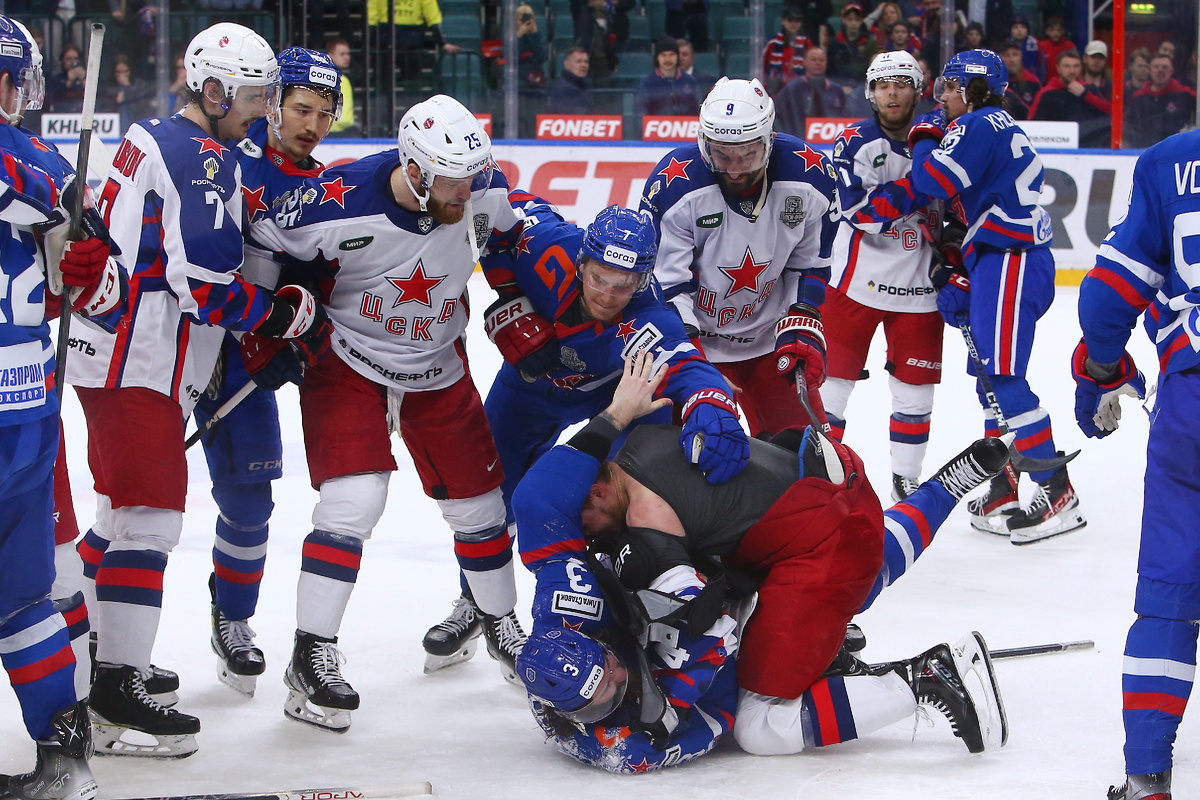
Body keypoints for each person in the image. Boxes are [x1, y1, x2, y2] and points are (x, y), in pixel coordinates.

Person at [514, 352, 1013, 762]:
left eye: (585, 526)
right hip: (822, 480)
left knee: (760, 725)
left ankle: (924, 679)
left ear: (596, 495)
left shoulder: (648, 526)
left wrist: (663, 705)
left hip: (819, 537)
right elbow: (695, 371)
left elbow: (710, 627)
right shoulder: (634, 438)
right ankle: (946, 487)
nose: (589, 539)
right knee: (858, 567)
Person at [64, 23, 333, 758]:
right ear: (212, 90)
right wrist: (282, 315)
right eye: (253, 97)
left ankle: (89, 661)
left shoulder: (154, 136)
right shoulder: (202, 156)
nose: (261, 111)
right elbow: (208, 289)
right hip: (137, 361)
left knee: (119, 517)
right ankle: (114, 689)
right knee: (147, 522)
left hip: (118, 355)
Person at [248, 95, 526, 731]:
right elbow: (264, 244)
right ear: (418, 170)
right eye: (453, 178)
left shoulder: (482, 192)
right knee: (353, 501)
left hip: (437, 363)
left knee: (481, 507)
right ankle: (310, 654)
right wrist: (267, 324)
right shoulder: (335, 197)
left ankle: (500, 623)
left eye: (473, 173)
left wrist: (521, 301)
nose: (468, 188)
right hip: (346, 359)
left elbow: (511, 242)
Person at [851, 49, 1085, 543]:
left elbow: (930, 180)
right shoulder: (993, 124)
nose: (943, 98)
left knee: (1003, 380)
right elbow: (952, 199)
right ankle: (1004, 481)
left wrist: (921, 141)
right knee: (989, 380)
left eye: (950, 87)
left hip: (1010, 260)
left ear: (972, 88)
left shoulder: (977, 124)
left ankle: (1055, 488)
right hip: (997, 259)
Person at [185, 46, 343, 700]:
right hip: (197, 343)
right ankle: (107, 641)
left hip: (256, 350)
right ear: (272, 103)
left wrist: (304, 341)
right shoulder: (225, 165)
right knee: (138, 503)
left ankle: (233, 616)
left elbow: (331, 285)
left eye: (325, 114)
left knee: (253, 496)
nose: (312, 124)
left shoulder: (328, 186)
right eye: (302, 108)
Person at [480, 195, 748, 572]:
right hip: (529, 388)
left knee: (629, 493)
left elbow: (689, 367)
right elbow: (501, 202)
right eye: (598, 278)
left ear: (642, 282)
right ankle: (480, 602)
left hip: (614, 398)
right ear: (581, 263)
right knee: (489, 492)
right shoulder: (544, 247)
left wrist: (713, 405)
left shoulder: (649, 316)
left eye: (622, 285)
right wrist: (509, 297)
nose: (606, 295)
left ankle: (621, 591)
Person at [0, 16, 117, 800]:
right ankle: (63, 756)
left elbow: (96, 284)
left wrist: (84, 268)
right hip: (29, 407)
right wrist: (84, 265)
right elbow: (104, 293)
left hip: (26, 411)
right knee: (19, 598)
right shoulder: (48, 165)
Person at [1072, 126, 1198, 800]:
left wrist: (1097, 368)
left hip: (1192, 405)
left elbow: (1108, 293)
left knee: (1171, 596)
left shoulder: (1170, 162)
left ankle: (1147, 777)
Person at [639, 77, 837, 441]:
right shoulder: (675, 185)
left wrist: (802, 318)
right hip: (692, 342)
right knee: (677, 460)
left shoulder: (811, 178)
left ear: (769, 140)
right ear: (703, 145)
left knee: (811, 456)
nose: (735, 167)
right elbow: (666, 287)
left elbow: (809, 265)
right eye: (722, 154)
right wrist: (693, 364)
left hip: (767, 339)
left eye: (748, 153)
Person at [826, 51, 942, 501]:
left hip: (921, 287)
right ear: (871, 92)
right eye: (883, 84)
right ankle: (827, 476)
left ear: (917, 89)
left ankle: (905, 480)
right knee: (832, 387)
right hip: (853, 282)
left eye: (901, 82)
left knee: (915, 395)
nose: (892, 91)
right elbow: (856, 211)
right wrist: (919, 187)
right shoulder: (854, 142)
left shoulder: (943, 138)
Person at [1029, 49, 1112, 149]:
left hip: (1089, 149)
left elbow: (1112, 112)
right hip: (1057, 149)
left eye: (1076, 66)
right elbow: (1032, 125)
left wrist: (1085, 95)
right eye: (1067, 66)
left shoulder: (1089, 89)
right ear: (1058, 68)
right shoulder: (1046, 94)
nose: (1072, 71)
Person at [1124, 54, 1196, 149]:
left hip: (1176, 150)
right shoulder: (1138, 97)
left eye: (1165, 67)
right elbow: (1129, 125)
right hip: (1143, 150)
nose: (1160, 70)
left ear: (1171, 71)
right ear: (1150, 70)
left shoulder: (1185, 94)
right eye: (1156, 67)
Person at [774, 47, 845, 135]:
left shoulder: (836, 90)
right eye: (813, 60)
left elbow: (846, 116)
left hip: (830, 139)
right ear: (805, 62)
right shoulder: (791, 90)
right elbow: (776, 116)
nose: (818, 63)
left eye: (821, 60)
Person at [634, 37, 698, 119]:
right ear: (657, 58)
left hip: (686, 130)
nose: (668, 59)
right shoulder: (647, 82)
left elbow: (699, 110)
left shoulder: (691, 81)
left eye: (671, 55)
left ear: (677, 57)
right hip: (656, 130)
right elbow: (640, 113)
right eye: (663, 55)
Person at [762, 4, 813, 95]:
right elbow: (761, 67)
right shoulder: (772, 43)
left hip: (800, 92)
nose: (793, 24)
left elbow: (811, 70)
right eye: (790, 20)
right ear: (783, 21)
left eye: (797, 21)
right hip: (775, 92)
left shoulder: (806, 43)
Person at [100, 54, 155, 132]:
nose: (122, 75)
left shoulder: (140, 85)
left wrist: (128, 87)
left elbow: (143, 107)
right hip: (115, 127)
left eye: (125, 71)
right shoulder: (108, 87)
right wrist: (116, 101)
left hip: (136, 125)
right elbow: (104, 109)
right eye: (119, 72)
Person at [829, 3, 878, 81]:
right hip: (840, 81)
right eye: (850, 19)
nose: (853, 23)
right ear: (844, 20)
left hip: (862, 83)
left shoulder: (869, 43)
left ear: (861, 21)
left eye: (857, 19)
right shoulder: (834, 43)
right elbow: (831, 68)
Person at [575, 0, 618, 88]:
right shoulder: (581, 13)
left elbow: (609, 41)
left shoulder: (608, 15)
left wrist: (612, 62)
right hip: (585, 60)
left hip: (603, 61)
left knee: (602, 94)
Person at [999, 39, 1042, 119]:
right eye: (1006, 55)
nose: (1011, 60)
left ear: (1021, 57)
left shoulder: (1033, 82)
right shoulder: (993, 83)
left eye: (1015, 55)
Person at [325, 37, 359, 137]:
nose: (347, 57)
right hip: (339, 133)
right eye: (342, 54)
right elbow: (345, 120)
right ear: (330, 56)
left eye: (348, 54)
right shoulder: (342, 80)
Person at [546, 46, 592, 114]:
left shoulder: (588, 85)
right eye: (578, 61)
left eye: (586, 62)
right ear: (566, 64)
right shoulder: (562, 88)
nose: (583, 65)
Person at [44, 42, 83, 114]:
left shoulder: (86, 78)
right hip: (61, 114)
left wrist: (83, 80)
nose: (73, 62)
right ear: (62, 60)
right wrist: (69, 82)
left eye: (76, 58)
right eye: (69, 59)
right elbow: (52, 98)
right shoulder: (55, 80)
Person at [515, 4, 547, 89]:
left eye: (528, 18)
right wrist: (519, 36)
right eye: (521, 19)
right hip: (517, 78)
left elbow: (542, 57)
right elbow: (514, 57)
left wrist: (534, 35)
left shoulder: (537, 37)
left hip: (535, 78)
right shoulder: (511, 39)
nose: (524, 22)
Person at [1037, 16, 1075, 81]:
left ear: (1063, 31)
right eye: (1051, 30)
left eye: (1058, 30)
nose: (1055, 33)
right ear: (1047, 32)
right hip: (1047, 84)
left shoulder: (1070, 46)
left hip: (1066, 82)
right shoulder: (1041, 45)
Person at [1008, 13, 1042, 81]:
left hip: (1032, 80)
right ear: (1011, 30)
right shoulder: (1006, 45)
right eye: (1015, 27)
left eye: (1023, 27)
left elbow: (1042, 67)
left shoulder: (1035, 44)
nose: (1019, 30)